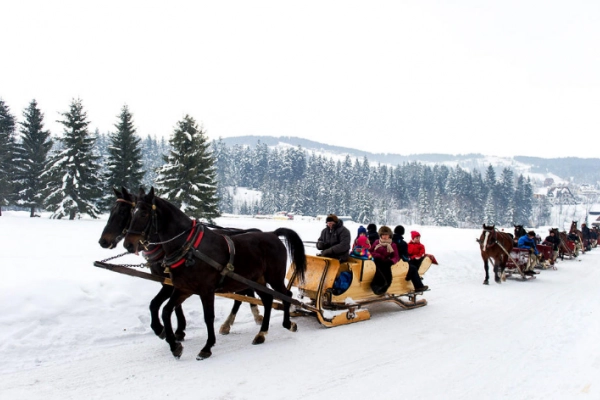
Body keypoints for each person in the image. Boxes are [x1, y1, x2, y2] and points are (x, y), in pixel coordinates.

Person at [394, 226, 428, 292]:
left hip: (393, 261)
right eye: (416, 238)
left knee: (412, 266)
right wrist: (408, 259)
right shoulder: (403, 243)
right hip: (399, 262)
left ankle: (412, 277)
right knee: (413, 268)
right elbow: (404, 255)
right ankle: (419, 287)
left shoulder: (391, 240)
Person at [369, 226, 398, 295]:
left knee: (388, 275)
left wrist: (391, 261)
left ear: (389, 235)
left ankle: (383, 289)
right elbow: (370, 251)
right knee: (378, 269)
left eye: (386, 235)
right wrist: (376, 255)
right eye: (383, 235)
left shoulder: (393, 245)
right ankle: (376, 286)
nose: (384, 237)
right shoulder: (376, 242)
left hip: (386, 262)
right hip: (376, 261)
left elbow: (396, 256)